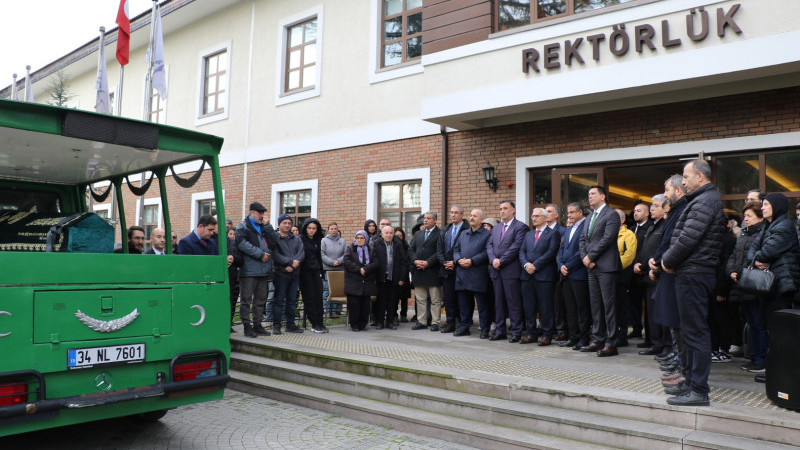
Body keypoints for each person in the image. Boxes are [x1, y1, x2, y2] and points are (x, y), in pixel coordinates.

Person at [661, 159, 726, 407]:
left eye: (686, 177)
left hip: (694, 274)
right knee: (689, 331)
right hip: (692, 273)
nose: (683, 181)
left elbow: (688, 238)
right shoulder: (702, 200)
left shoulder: (705, 201)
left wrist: (667, 260)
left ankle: (699, 390)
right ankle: (690, 382)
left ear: (700, 176)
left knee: (696, 332)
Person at [746, 193, 800, 374]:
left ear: (776, 206)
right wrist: (756, 259)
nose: (762, 208)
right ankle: (775, 372)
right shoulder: (769, 226)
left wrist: (758, 258)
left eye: (766, 204)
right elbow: (753, 250)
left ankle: (782, 374)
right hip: (769, 286)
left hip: (780, 288)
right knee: (768, 328)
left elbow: (766, 252)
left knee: (779, 332)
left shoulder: (784, 226)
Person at [579, 186, 621, 357]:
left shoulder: (611, 214)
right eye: (588, 194)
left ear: (603, 197)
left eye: (593, 194)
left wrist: (591, 257)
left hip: (606, 267)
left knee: (608, 306)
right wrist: (584, 257)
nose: (589, 197)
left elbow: (608, 238)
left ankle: (611, 343)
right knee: (596, 305)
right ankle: (598, 339)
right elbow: (582, 239)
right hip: (591, 267)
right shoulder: (590, 216)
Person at [728, 203, 766, 372]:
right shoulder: (743, 234)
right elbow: (734, 256)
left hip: (755, 285)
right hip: (741, 284)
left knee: (759, 323)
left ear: (760, 216)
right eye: (745, 216)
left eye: (750, 215)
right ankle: (754, 356)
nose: (746, 219)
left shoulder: (763, 233)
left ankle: (762, 358)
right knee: (751, 322)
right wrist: (731, 271)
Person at [486, 200, 528, 342]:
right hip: (497, 271)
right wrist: (493, 260)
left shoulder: (520, 227)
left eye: (505, 208)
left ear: (513, 210)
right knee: (498, 302)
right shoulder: (497, 228)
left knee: (513, 302)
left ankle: (516, 331)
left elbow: (516, 247)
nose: (502, 211)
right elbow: (490, 246)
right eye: (500, 209)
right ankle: (500, 330)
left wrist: (501, 260)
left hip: (511, 270)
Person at [519, 208, 560, 345]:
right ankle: (531, 333)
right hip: (527, 276)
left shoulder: (553, 233)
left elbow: (551, 252)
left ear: (544, 218)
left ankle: (547, 335)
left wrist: (535, 265)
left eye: (537, 216)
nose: (534, 218)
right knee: (529, 306)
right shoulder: (528, 234)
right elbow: (521, 252)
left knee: (545, 307)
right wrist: (526, 265)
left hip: (544, 276)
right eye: (532, 216)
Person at [634, 195, 668, 356]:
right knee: (650, 311)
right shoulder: (651, 227)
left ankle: (661, 345)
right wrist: (639, 263)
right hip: (647, 274)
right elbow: (645, 249)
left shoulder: (665, 226)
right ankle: (654, 342)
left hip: (659, 274)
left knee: (659, 311)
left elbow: (662, 250)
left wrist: (653, 265)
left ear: (665, 208)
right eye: (652, 205)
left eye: (656, 205)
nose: (653, 208)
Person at [235, 202, 275, 338]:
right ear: (252, 213)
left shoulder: (263, 227)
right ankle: (247, 326)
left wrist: (268, 226)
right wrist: (260, 254)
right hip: (249, 270)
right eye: (260, 213)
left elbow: (274, 242)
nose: (262, 215)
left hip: (264, 270)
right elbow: (242, 244)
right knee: (246, 300)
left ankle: (257, 325)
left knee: (260, 300)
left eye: (263, 213)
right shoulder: (242, 226)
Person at [453, 209, 492, 338]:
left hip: (478, 274)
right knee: (464, 304)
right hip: (462, 273)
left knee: (482, 305)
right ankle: (464, 327)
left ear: (482, 219)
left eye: (475, 216)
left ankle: (485, 329)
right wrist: (458, 260)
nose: (471, 218)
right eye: (471, 215)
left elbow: (487, 252)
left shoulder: (487, 234)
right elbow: (456, 249)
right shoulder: (463, 233)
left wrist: (472, 261)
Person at [557, 202, 590, 350]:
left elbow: (582, 251)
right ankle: (573, 337)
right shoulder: (569, 229)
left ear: (580, 213)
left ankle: (583, 339)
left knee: (581, 308)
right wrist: (560, 265)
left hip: (579, 274)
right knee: (570, 308)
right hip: (566, 275)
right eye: (568, 213)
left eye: (571, 212)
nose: (568, 215)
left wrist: (568, 265)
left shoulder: (585, 227)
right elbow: (561, 250)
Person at [409, 212, 443, 331]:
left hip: (432, 271)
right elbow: (411, 250)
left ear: (435, 221)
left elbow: (439, 251)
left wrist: (428, 262)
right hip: (419, 271)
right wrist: (415, 261)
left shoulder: (440, 233)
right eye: (424, 218)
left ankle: (435, 322)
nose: (425, 220)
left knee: (435, 300)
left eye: (428, 218)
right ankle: (421, 321)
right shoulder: (418, 234)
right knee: (420, 299)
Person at [272, 214, 305, 334]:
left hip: (295, 274)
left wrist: (295, 264)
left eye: (289, 223)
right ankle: (276, 325)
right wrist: (289, 263)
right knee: (279, 300)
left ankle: (290, 325)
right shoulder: (275, 238)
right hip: (281, 274)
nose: (287, 225)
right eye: (284, 223)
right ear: (279, 224)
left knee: (292, 301)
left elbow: (301, 252)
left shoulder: (296, 238)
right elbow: (275, 254)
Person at [437, 206, 468, 333]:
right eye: (452, 212)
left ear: (462, 215)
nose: (453, 215)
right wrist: (444, 262)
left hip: (460, 270)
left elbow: (466, 249)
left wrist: (455, 262)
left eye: (456, 213)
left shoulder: (467, 229)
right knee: (449, 299)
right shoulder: (446, 229)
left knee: (462, 299)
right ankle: (450, 322)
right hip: (446, 271)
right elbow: (439, 249)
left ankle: (462, 323)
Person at [372, 225, 408, 330]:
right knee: (380, 301)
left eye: (391, 233)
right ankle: (379, 322)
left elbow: (403, 262)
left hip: (394, 277)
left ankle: (390, 322)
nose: (389, 235)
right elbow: (373, 261)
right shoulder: (376, 244)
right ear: (381, 234)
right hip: (380, 277)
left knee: (392, 301)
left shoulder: (398, 244)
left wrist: (402, 278)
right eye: (386, 233)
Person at [343, 231, 377, 331]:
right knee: (354, 305)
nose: (359, 240)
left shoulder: (371, 249)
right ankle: (354, 325)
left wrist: (366, 269)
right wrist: (359, 269)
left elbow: (376, 262)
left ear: (366, 239)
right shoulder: (350, 248)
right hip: (353, 281)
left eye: (362, 238)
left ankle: (363, 324)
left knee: (365, 305)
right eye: (357, 237)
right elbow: (347, 261)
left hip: (367, 281)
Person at [629, 202, 651, 344]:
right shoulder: (631, 229)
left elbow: (647, 250)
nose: (635, 213)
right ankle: (636, 328)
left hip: (645, 271)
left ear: (647, 213)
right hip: (632, 272)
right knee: (633, 302)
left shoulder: (651, 228)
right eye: (634, 211)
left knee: (648, 305)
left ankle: (649, 334)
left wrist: (640, 264)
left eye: (639, 211)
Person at [300, 218, 327, 333]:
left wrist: (322, 270)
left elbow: (320, 257)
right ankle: (314, 323)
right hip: (305, 272)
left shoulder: (318, 240)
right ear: (305, 228)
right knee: (309, 297)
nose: (311, 230)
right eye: (309, 228)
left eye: (314, 228)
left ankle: (320, 322)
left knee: (318, 297)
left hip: (316, 271)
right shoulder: (301, 239)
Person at [545, 203, 568, 341]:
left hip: (557, 271)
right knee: (545, 302)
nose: (546, 214)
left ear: (556, 215)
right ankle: (547, 326)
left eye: (549, 211)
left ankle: (560, 329)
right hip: (542, 272)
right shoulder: (540, 230)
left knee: (558, 302)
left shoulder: (562, 231)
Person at [615, 208, 637, 348]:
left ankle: (622, 336)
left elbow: (629, 256)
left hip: (620, 276)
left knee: (621, 307)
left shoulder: (628, 234)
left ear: (622, 220)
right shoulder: (607, 233)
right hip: (606, 276)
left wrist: (612, 267)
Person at [321, 222, 346, 319]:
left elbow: (345, 254)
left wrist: (338, 261)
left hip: (339, 269)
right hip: (328, 269)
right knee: (327, 291)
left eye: (335, 228)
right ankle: (327, 311)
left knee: (336, 291)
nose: (334, 230)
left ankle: (334, 311)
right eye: (331, 229)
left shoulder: (342, 241)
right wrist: (332, 262)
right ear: (328, 230)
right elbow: (322, 254)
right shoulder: (324, 240)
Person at [394, 227, 412, 322]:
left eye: (401, 236)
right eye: (397, 235)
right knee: (395, 297)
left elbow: (408, 261)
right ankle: (394, 315)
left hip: (404, 275)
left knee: (404, 297)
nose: (399, 237)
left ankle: (404, 315)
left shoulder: (406, 247)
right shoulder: (393, 246)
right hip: (395, 275)